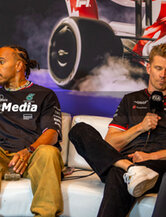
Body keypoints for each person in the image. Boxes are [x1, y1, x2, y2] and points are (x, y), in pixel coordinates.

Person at [0, 45, 64, 217]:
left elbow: (52, 133)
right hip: (1, 156)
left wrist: (28, 151)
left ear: (18, 66)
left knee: (49, 152)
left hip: (33, 156)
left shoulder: (44, 95)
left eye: (1, 62)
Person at [69, 43, 166, 217]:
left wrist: (150, 156)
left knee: (116, 173)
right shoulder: (130, 100)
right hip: (125, 161)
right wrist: (140, 127)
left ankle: (128, 170)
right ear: (149, 68)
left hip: (157, 166)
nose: (163, 74)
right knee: (79, 130)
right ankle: (130, 169)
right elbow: (111, 143)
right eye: (159, 68)